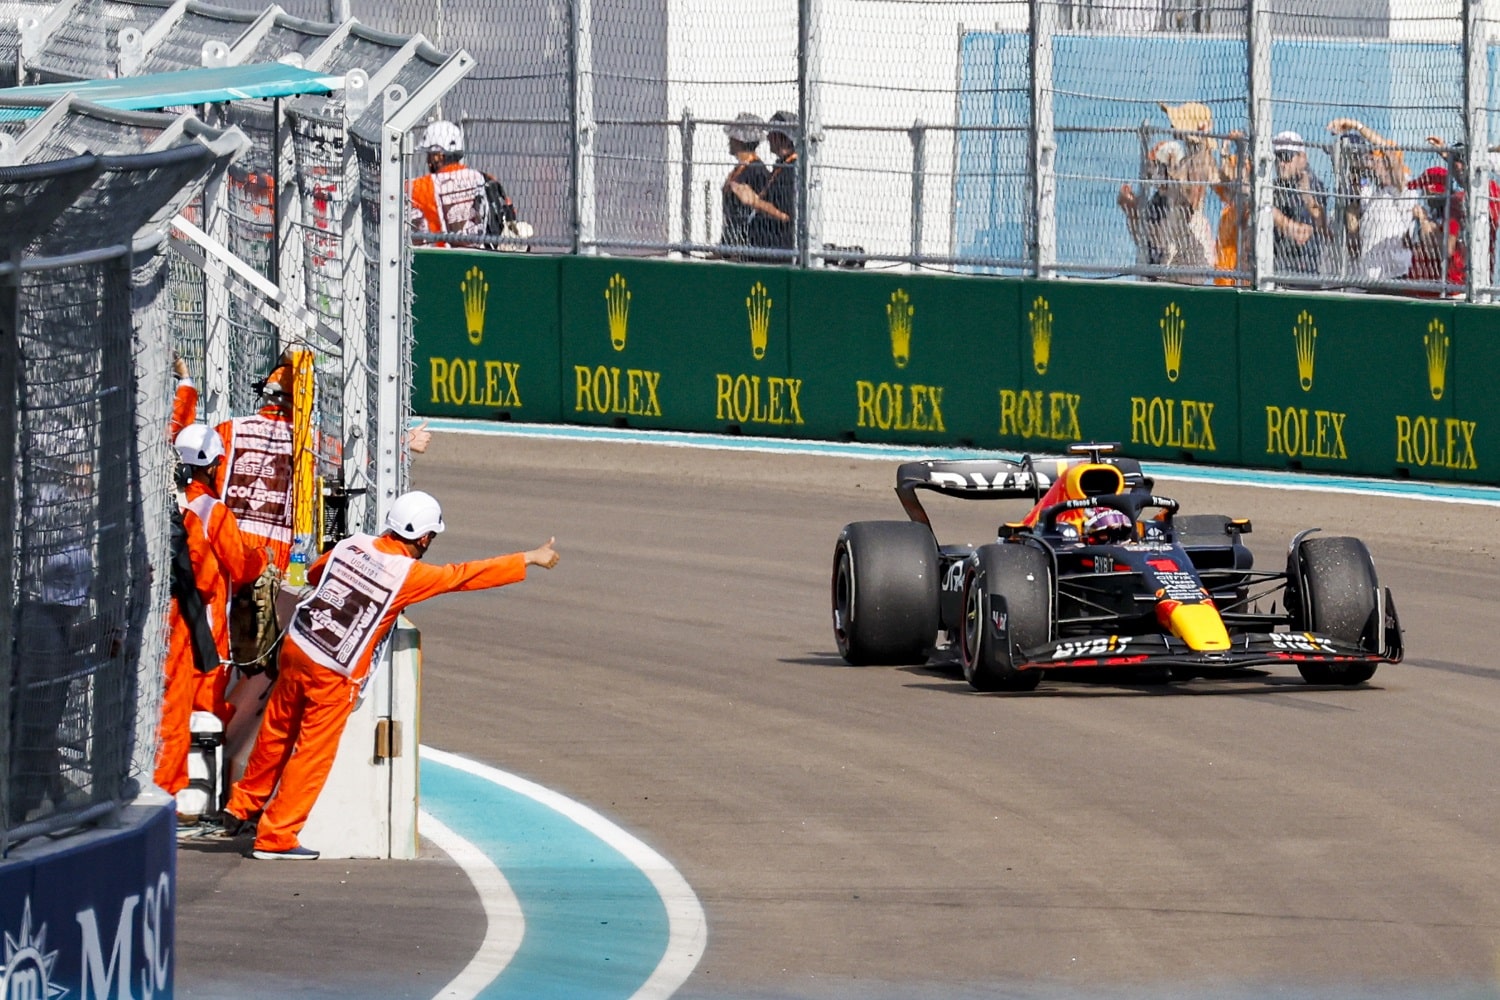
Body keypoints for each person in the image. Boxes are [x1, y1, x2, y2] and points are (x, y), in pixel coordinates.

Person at [219, 490, 561, 859]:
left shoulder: (353, 544)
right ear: (425, 538)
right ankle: (276, 837)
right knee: (311, 754)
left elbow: (317, 574)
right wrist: (528, 558)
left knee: (277, 731)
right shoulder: (408, 574)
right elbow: (463, 576)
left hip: (298, 645)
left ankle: (242, 805)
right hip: (334, 669)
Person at [153, 424, 268, 814]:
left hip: (166, 619)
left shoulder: (166, 501)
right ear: (211, 467)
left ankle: (176, 793)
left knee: (166, 713)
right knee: (198, 714)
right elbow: (241, 566)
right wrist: (264, 557)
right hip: (200, 627)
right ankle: (185, 800)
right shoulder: (212, 511)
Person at [1325, 117, 1413, 285]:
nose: (1371, 163)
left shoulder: (1402, 188)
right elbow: (1353, 226)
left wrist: (1358, 126)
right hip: (1371, 277)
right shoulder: (1374, 192)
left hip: (1394, 275)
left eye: (1376, 160)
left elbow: (1389, 152)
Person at [732, 110, 797, 255]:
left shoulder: (792, 170)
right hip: (763, 246)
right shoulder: (780, 165)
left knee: (758, 280)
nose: (767, 138)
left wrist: (754, 201)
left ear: (782, 137)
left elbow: (785, 215)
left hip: (778, 250)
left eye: (772, 134)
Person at [1270, 130, 1331, 277]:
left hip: (1303, 270)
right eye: (1277, 157)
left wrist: (1307, 196)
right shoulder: (1275, 187)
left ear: (1302, 158)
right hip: (1278, 268)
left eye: (1286, 157)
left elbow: (1318, 223)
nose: (1281, 163)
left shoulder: (1312, 185)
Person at [719, 112, 771, 259]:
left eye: (733, 137)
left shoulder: (757, 171)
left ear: (740, 140)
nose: (729, 140)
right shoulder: (741, 168)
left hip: (745, 243)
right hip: (731, 240)